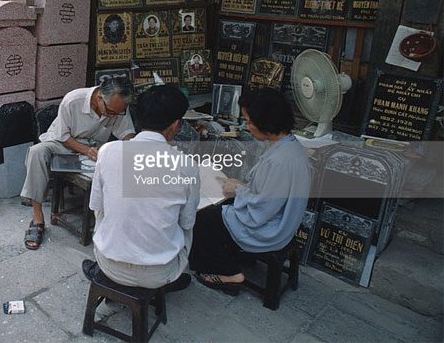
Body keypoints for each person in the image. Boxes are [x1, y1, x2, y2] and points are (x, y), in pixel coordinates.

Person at [188, 89, 311, 295]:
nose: (247, 127)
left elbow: (263, 209)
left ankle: (228, 273)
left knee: (203, 217)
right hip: (277, 219)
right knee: (218, 206)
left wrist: (238, 189)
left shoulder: (280, 161)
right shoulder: (288, 146)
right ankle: (238, 256)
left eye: (249, 122)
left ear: (267, 123)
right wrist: (241, 187)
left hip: (270, 228)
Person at [82, 84, 198, 291]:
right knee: (187, 226)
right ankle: (168, 277)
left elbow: (96, 206)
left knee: (103, 209)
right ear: (175, 125)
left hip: (109, 264)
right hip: (159, 273)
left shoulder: (108, 151)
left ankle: (108, 267)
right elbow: (187, 222)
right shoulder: (186, 165)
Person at [21, 78, 136, 250]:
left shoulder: (118, 107)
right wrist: (85, 150)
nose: (113, 116)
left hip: (96, 146)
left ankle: (115, 221)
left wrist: (132, 149)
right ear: (99, 98)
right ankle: (37, 218)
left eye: (117, 113)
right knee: (37, 152)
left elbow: (127, 133)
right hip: (64, 143)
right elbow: (63, 135)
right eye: (111, 112)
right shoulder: (73, 100)